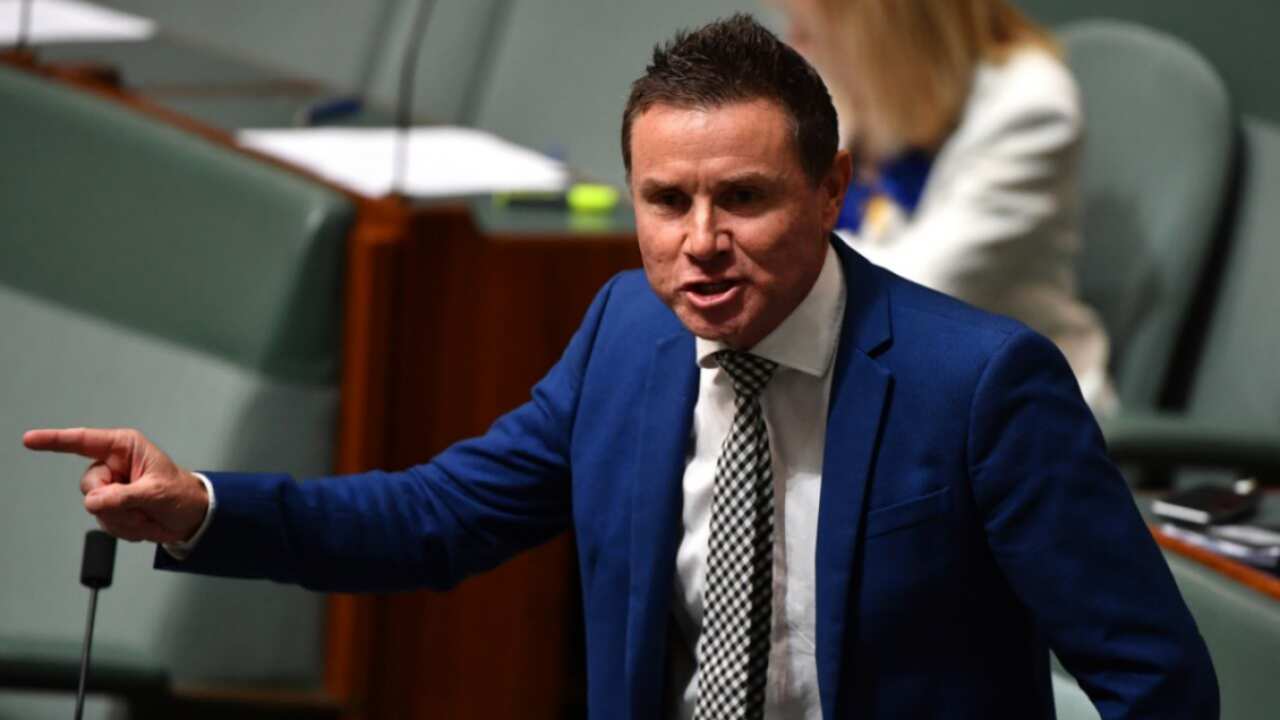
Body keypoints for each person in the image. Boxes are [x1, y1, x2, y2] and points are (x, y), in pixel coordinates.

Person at [24, 14, 1215, 720]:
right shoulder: (625, 336)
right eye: (667, 200)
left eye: (743, 199)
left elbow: (1156, 683)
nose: (700, 242)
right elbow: (437, 517)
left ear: (830, 190)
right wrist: (202, 511)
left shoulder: (978, 386)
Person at [779, 0, 1117, 414]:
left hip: (1007, 412)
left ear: (892, 20)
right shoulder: (862, 85)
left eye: (811, 28)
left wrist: (762, 253)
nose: (796, 41)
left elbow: (911, 292)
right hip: (878, 383)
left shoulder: (1030, 107)